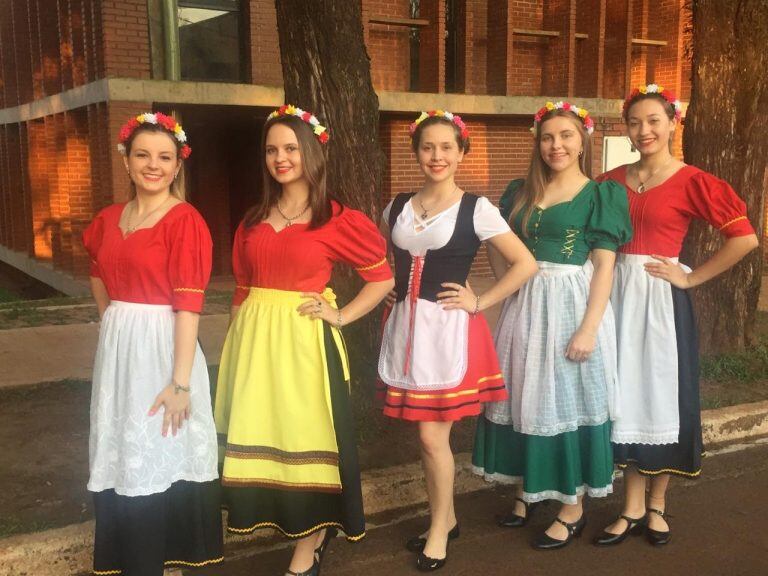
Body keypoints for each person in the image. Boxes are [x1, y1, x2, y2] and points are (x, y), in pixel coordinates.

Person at [214, 105, 394, 576]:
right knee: (268, 435)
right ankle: (289, 522)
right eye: (272, 149)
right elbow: (240, 288)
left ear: (311, 151)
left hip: (304, 346)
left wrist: (339, 315)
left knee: (307, 437)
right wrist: (233, 351)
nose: (280, 157)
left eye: (291, 148)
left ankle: (311, 540)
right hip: (255, 344)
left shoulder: (336, 218)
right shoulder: (253, 217)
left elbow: (380, 279)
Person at [594, 84, 759, 547]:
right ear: (625, 129)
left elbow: (744, 238)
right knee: (622, 394)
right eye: (635, 122)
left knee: (662, 396)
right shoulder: (608, 182)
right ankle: (628, 506)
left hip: (660, 300)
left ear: (672, 123)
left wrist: (690, 278)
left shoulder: (693, 181)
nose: (644, 130)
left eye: (653, 121)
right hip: (614, 297)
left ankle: (657, 504)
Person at [377, 110, 538, 571]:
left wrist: (481, 299)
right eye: (428, 147)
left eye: (447, 147)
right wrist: (385, 280)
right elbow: (373, 253)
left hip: (449, 334)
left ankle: (439, 532)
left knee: (432, 438)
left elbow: (525, 264)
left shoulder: (478, 209)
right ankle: (444, 520)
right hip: (407, 332)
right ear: (416, 152)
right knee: (427, 440)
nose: (437, 156)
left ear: (461, 152)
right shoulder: (398, 206)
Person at [473, 101, 632, 550]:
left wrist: (588, 328)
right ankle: (532, 486)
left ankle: (573, 507)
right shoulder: (519, 191)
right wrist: (507, 286)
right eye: (547, 137)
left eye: (565, 136)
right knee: (527, 393)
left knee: (564, 399)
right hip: (525, 303)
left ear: (583, 140)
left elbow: (604, 267)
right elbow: (499, 244)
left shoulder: (600, 194)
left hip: (571, 303)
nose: (555, 145)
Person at [83, 112, 222, 575]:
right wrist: (114, 322)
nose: (153, 165)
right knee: (124, 452)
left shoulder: (184, 221)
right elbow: (98, 273)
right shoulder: (107, 219)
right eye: (142, 154)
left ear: (178, 165)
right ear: (126, 160)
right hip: (121, 356)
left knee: (162, 454)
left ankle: (164, 563)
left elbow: (188, 307)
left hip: (165, 352)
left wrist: (180, 382)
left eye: (164, 157)